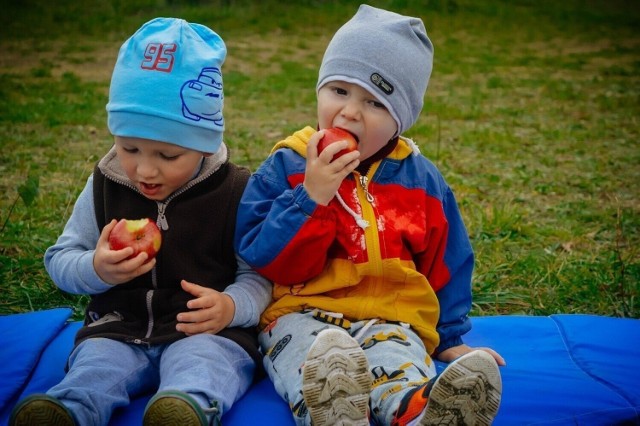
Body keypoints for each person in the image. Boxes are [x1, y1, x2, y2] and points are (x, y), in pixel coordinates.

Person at [235, 5, 505, 426]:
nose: (349, 112)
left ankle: (417, 411)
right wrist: (312, 197)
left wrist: (450, 339)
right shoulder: (288, 165)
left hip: (390, 315)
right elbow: (264, 256)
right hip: (301, 312)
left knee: (396, 360)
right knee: (312, 361)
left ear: (400, 119)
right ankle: (333, 412)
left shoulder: (420, 180)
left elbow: (447, 261)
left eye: (375, 102)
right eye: (339, 90)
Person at [9, 17, 272, 426]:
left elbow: (259, 276)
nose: (145, 170)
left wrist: (230, 306)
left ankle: (183, 409)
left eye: (168, 156)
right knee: (95, 368)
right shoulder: (106, 183)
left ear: (203, 144)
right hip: (118, 329)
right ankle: (67, 410)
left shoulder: (236, 190)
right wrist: (95, 269)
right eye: (130, 147)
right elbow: (60, 260)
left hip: (203, 331)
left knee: (207, 364)